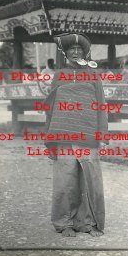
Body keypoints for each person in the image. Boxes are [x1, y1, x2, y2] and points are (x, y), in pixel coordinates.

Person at [44, 33, 108, 237]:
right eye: (71, 49)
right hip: (62, 133)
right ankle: (64, 223)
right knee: (65, 180)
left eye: (79, 49)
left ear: (85, 53)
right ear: (65, 53)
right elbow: (50, 107)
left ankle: (87, 223)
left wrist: (103, 134)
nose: (75, 52)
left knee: (90, 179)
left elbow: (101, 105)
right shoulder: (59, 75)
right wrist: (49, 137)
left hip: (88, 133)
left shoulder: (93, 75)